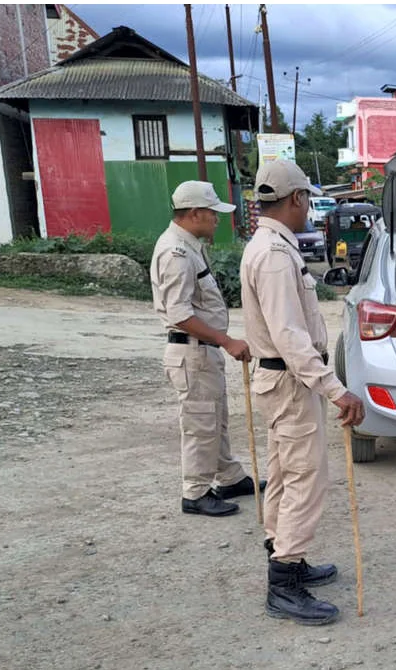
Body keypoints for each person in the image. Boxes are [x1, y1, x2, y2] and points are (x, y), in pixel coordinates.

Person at [240, 159, 366, 625]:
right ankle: (284, 580)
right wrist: (337, 390)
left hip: (287, 380)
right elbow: (290, 336)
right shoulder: (274, 255)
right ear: (296, 199)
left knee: (285, 472)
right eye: (307, 199)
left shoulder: (272, 247)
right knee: (305, 479)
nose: (308, 206)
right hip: (291, 381)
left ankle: (285, 553)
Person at [150, 181, 264, 517]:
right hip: (192, 350)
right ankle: (195, 492)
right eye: (212, 214)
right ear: (195, 213)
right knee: (200, 422)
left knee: (215, 418)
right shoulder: (176, 252)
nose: (217, 220)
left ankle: (228, 476)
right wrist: (226, 340)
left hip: (203, 349)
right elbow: (179, 313)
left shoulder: (189, 245)